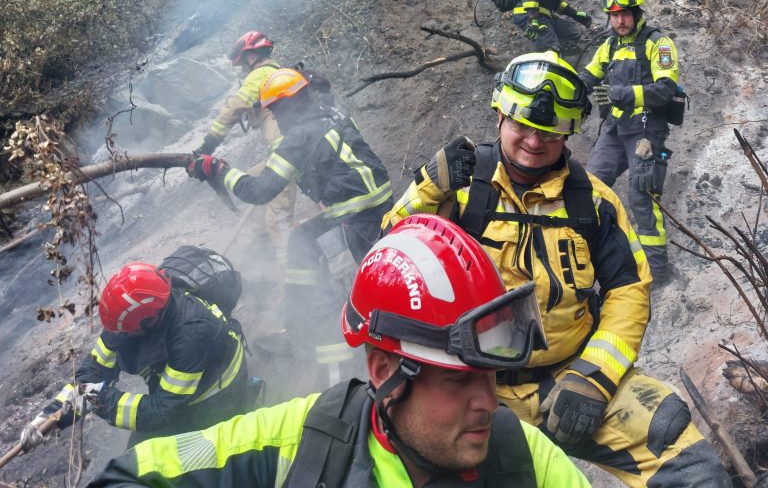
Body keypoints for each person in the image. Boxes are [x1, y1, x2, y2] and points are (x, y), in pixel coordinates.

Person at [382, 52, 729, 488]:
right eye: (522, 125)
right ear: (499, 114)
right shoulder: (458, 190)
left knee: (689, 461)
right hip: (472, 385)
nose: (534, 141)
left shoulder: (595, 202)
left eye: (549, 131)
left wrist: (595, 377)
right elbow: (388, 263)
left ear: (569, 132)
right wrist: (427, 189)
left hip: (573, 376)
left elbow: (629, 289)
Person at [87, 215, 590, 488]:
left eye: (491, 373)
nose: (491, 402)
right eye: (458, 378)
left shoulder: (524, 457)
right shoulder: (298, 440)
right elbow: (135, 472)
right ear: (384, 370)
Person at [189, 67, 394, 385]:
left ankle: (323, 333)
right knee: (301, 237)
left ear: (288, 105)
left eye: (275, 110)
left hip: (354, 218)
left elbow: (259, 191)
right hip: (382, 206)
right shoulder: (332, 114)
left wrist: (219, 169)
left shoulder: (298, 137)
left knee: (306, 251)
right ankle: (298, 320)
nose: (274, 118)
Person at [21, 262, 248, 451]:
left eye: (125, 330)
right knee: (137, 456)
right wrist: (48, 417)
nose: (119, 334)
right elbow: (92, 373)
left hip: (218, 394)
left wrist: (98, 400)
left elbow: (162, 412)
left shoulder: (191, 334)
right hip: (178, 391)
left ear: (149, 321)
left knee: (168, 462)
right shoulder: (134, 314)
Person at [579, 0, 679, 283]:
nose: (619, 21)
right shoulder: (609, 45)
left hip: (646, 133)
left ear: (636, 14)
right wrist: (565, 85)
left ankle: (657, 273)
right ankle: (594, 258)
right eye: (614, 15)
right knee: (590, 188)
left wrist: (620, 94)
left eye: (624, 14)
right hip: (614, 130)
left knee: (641, 198)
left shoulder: (658, 43)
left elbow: (665, 89)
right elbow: (588, 75)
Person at [195, 30, 296, 280]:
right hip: (285, 152)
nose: (242, 70)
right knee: (253, 176)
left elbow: (235, 107)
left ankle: (289, 286)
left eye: (242, 64)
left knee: (278, 224)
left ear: (251, 57)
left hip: (287, 155)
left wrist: (207, 146)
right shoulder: (277, 73)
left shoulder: (261, 74)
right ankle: (262, 254)